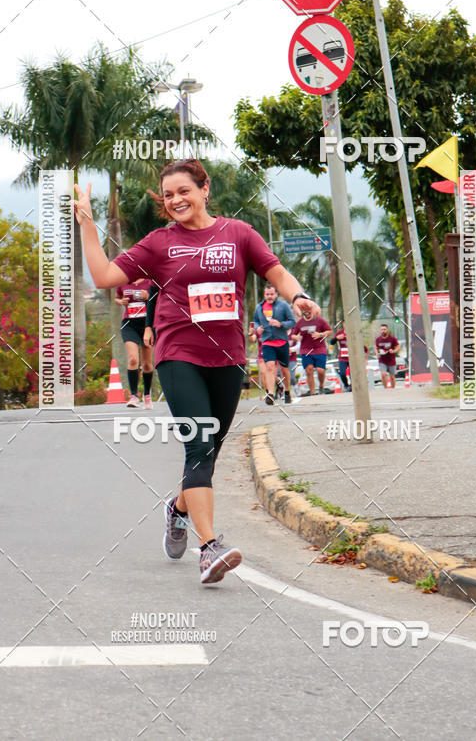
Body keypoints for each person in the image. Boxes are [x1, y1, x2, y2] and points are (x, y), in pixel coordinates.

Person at [74, 159, 320, 585]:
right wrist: (87, 225)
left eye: (184, 191)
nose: (175, 201)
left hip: (227, 359)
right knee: (199, 448)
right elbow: (103, 275)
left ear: (205, 189)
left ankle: (179, 510)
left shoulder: (239, 233)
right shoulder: (158, 244)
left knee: (208, 452)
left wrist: (296, 295)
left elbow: (274, 270)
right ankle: (209, 549)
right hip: (177, 355)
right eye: (168, 195)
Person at [114, 278, 155, 408]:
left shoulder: (149, 281)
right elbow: (117, 298)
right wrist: (121, 302)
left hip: (147, 325)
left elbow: (159, 300)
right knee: (133, 359)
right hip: (129, 324)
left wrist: (147, 296)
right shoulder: (123, 282)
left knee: (147, 364)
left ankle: (147, 395)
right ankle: (134, 396)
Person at [253, 284, 296, 405]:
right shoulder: (259, 307)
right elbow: (255, 321)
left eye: (272, 294)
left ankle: (287, 391)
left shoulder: (284, 306)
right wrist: (258, 328)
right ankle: (270, 394)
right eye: (267, 294)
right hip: (267, 342)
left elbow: (293, 322)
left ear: (276, 294)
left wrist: (281, 324)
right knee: (270, 367)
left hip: (282, 342)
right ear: (264, 295)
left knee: (284, 369)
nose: (269, 296)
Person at [291, 310, 332, 395]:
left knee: (320, 370)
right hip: (305, 350)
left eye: (309, 309)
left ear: (312, 310)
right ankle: (313, 392)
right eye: (305, 309)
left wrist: (320, 334)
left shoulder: (320, 320)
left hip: (319, 349)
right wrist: (297, 337)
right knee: (309, 370)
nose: (307, 311)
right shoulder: (299, 322)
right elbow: (293, 335)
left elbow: (329, 331)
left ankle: (321, 385)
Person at [375, 324, 401, 388]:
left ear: (387, 330)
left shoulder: (392, 338)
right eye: (382, 330)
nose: (383, 331)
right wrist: (377, 353)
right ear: (380, 331)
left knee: (392, 376)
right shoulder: (378, 339)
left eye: (384, 329)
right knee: (383, 374)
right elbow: (376, 348)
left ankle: (393, 389)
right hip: (382, 360)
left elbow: (398, 347)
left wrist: (393, 351)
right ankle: (385, 388)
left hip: (391, 360)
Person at [247, 321, 266, 393]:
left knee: (272, 375)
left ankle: (279, 385)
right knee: (264, 373)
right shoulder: (258, 330)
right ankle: (269, 393)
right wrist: (250, 333)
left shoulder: (271, 326)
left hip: (273, 354)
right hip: (261, 356)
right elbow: (252, 339)